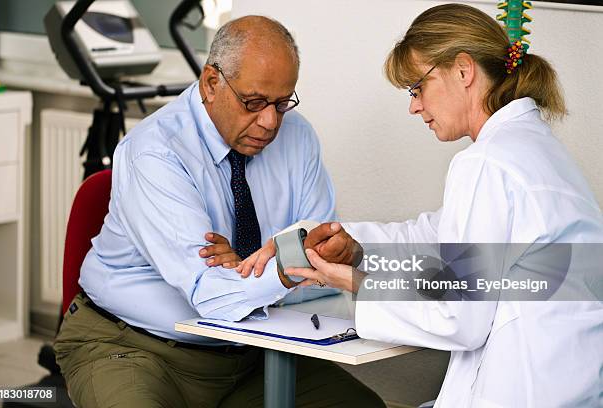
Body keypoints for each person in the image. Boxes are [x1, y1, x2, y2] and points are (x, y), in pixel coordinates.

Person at [239, 4, 603, 407]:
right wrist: (352, 245)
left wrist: (350, 281)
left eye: (417, 88)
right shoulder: (534, 149)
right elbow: (436, 236)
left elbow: (459, 319)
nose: (414, 106)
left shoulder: (487, 162)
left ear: (463, 71)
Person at [54, 15, 383, 408]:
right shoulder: (155, 151)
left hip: (254, 353)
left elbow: (317, 269)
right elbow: (210, 297)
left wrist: (248, 267)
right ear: (211, 82)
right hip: (134, 347)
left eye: (282, 103)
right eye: (254, 102)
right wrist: (278, 268)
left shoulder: (298, 137)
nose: (270, 122)